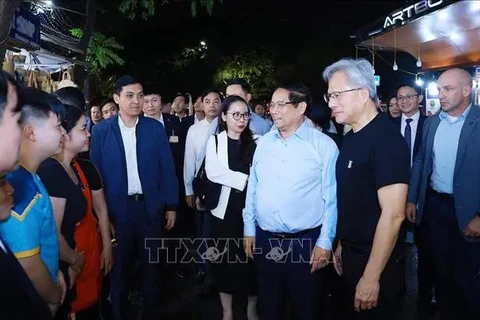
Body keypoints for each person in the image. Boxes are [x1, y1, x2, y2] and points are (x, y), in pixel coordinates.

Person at [323, 58, 409, 319]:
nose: (331, 103)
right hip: (350, 254)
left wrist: (371, 277)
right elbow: (353, 199)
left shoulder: (386, 140)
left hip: (376, 262)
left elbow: (394, 215)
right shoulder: (351, 137)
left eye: (336, 95)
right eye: (329, 96)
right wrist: (341, 245)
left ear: (362, 94)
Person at [243, 83, 338, 320]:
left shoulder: (323, 146)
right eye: (271, 105)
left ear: (301, 107)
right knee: (268, 307)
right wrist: (249, 228)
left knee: (306, 308)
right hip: (265, 240)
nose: (273, 110)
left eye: (280, 105)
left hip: (305, 243)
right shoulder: (263, 143)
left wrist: (325, 242)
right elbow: (253, 188)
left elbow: (332, 199)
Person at [90, 75, 178, 320]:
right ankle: (118, 313)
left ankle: (150, 312)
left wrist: (171, 205)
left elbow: (166, 168)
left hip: (150, 210)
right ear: (117, 98)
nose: (137, 101)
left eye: (140, 95)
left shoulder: (154, 128)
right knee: (118, 271)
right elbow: (96, 175)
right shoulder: (101, 131)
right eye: (130, 95)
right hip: (118, 212)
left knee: (152, 268)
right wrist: (102, 215)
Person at [406, 68, 480, 319]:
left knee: (468, 277)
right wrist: (413, 198)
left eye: (447, 89)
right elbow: (420, 161)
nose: (441, 95)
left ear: (467, 90)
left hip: (470, 212)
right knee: (442, 272)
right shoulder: (433, 122)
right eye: (439, 90)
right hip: (436, 207)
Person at [0, 71, 57, 319]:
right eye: (14, 118)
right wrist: (52, 296)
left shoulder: (29, 177)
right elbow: (29, 265)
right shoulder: (20, 185)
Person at [53, 88, 114, 318]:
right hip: (72, 263)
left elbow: (101, 209)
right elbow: (53, 232)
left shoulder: (84, 167)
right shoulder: (51, 172)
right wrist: (72, 259)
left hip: (90, 256)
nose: (89, 133)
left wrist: (107, 245)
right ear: (64, 134)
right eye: (83, 128)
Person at [205, 95, 258, 320]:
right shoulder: (215, 141)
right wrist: (246, 180)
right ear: (224, 116)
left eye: (245, 114)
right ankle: (227, 311)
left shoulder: (258, 140)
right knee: (224, 263)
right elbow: (213, 172)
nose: (241, 119)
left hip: (252, 211)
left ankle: (251, 308)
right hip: (223, 212)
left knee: (252, 263)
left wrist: (246, 180)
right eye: (235, 114)